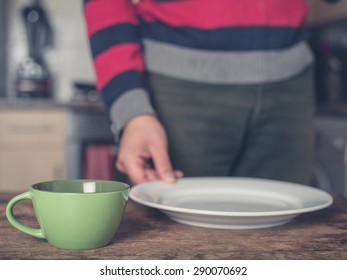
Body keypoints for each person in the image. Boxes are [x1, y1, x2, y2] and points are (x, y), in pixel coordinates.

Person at [83, 0, 338, 185]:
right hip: (176, 93)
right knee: (173, 245)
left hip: (292, 83)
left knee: (289, 242)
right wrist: (133, 112)